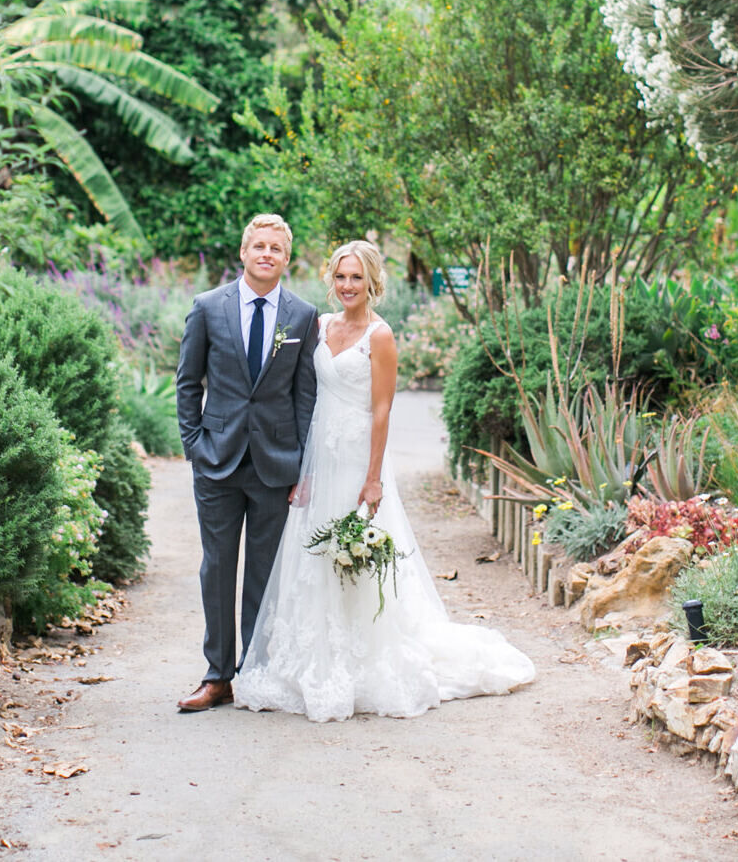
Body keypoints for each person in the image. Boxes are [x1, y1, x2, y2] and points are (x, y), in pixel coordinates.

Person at [234, 240, 535, 722]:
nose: (347, 285)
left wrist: (372, 479)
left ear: (372, 281)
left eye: (356, 277)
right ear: (331, 280)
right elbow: (305, 398)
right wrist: (302, 470)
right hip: (319, 454)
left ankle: (364, 656)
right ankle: (311, 656)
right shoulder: (317, 327)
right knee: (313, 552)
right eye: (340, 277)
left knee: (356, 552)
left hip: (357, 458)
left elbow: (381, 410)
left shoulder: (380, 335)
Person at [176, 214, 318, 712]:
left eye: (275, 248)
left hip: (275, 464)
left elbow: (305, 396)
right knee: (217, 568)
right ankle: (217, 676)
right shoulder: (208, 308)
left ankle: (255, 673)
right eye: (258, 246)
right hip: (216, 459)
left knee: (264, 573)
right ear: (243, 252)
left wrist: (302, 465)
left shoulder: (303, 316)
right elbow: (188, 383)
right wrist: (194, 444)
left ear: (286, 258)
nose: (266, 254)